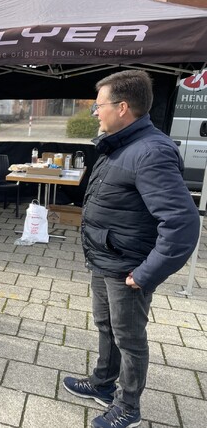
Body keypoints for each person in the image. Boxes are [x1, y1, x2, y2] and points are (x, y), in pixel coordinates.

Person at [63, 70, 199, 428]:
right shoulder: (118, 143)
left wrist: (146, 274)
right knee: (106, 326)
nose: (95, 113)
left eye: (99, 106)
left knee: (129, 339)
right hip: (105, 259)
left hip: (128, 268)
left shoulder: (151, 152)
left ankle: (128, 407)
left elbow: (182, 225)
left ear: (122, 107)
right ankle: (102, 384)